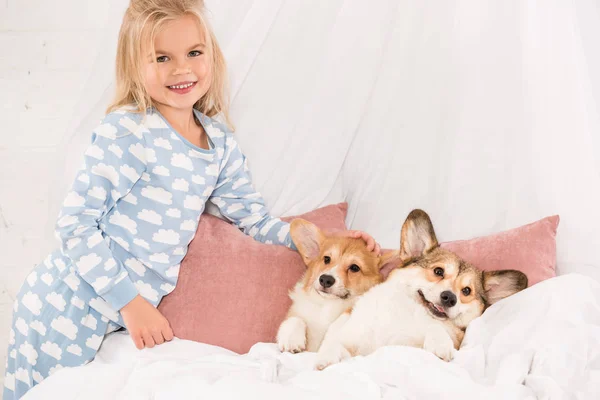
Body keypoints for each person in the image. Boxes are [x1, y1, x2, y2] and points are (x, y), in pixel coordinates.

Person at [2, 1, 381, 398]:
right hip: (66, 302)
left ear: (211, 56)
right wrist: (130, 303)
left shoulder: (218, 143)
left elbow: (254, 219)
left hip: (113, 315)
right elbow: (75, 225)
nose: (182, 69)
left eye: (194, 53)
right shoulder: (129, 132)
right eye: (162, 57)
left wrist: (327, 244)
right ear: (135, 66)